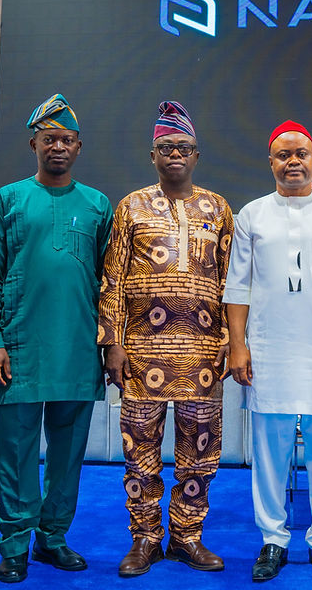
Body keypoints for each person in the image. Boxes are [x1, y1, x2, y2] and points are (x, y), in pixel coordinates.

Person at [222, 120, 312, 582]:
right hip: (270, 353)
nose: (292, 163)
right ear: (271, 162)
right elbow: (237, 289)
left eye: (300, 154)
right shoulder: (252, 215)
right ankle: (273, 539)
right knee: (269, 451)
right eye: (283, 155)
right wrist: (239, 346)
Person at [0, 93, 113, 583]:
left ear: (79, 147)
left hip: (77, 350)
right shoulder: (8, 200)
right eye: (49, 138)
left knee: (68, 450)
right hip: (18, 349)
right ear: (33, 143)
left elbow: (109, 281)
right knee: (14, 450)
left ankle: (53, 537)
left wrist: (110, 342)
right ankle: (14, 544)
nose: (58, 146)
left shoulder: (98, 205)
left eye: (67, 140)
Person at [98, 102, 233, 577]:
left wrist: (229, 341)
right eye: (165, 148)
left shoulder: (218, 208)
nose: (175, 154)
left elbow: (230, 282)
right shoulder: (130, 206)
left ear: (196, 155)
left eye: (184, 148)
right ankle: (145, 540)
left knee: (200, 453)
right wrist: (111, 343)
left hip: (201, 355)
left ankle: (188, 537)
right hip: (140, 352)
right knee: (140, 455)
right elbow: (112, 277)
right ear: (152, 155)